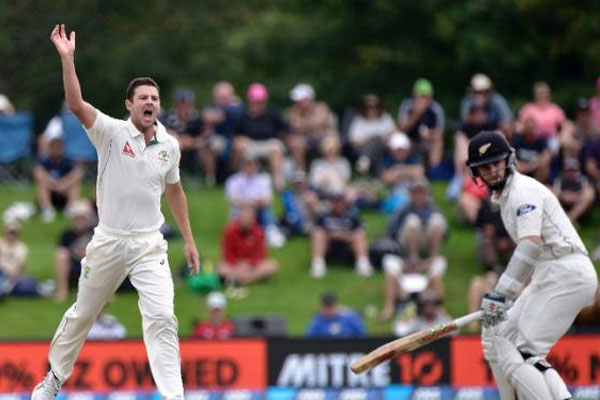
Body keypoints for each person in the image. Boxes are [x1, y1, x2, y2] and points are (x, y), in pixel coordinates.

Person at [32, 24, 201, 400]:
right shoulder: (110, 132)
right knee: (83, 314)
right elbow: (76, 104)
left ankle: (175, 395)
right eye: (143, 97)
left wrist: (188, 240)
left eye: (155, 98)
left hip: (148, 245)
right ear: (129, 105)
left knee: (162, 318)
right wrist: (67, 59)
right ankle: (54, 379)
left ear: (159, 105)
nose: (150, 103)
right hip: (108, 240)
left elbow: (175, 192)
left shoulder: (169, 146)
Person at [466, 130, 597, 399]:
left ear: (509, 159)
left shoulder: (522, 191)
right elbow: (532, 256)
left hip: (567, 273)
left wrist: (500, 295)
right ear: (476, 173)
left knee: (525, 352)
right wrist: (506, 299)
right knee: (495, 336)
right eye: (484, 167)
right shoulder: (505, 198)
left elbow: (529, 246)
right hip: (550, 274)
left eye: (496, 162)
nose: (492, 171)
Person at [232, 83, 288, 190]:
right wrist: (239, 140)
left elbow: (286, 130)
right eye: (255, 102)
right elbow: (235, 135)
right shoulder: (243, 116)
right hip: (250, 144)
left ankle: (278, 183)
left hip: (269, 144)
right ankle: (243, 182)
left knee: (275, 148)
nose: (257, 104)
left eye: (260, 102)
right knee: (240, 146)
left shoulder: (272, 114)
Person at [225, 153, 286, 248]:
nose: (250, 167)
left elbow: (268, 200)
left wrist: (251, 204)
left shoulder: (264, 179)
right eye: (247, 164)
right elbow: (233, 199)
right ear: (243, 165)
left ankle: (271, 232)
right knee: (245, 212)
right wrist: (250, 204)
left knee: (266, 211)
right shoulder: (234, 180)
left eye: (252, 164)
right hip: (241, 211)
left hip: (259, 210)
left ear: (257, 166)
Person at [309, 192, 373, 278]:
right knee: (318, 234)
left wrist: (344, 235)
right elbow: (316, 231)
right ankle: (318, 264)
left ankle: (363, 264)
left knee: (358, 235)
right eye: (336, 202)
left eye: (340, 202)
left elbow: (361, 231)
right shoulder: (324, 215)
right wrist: (332, 235)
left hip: (348, 247)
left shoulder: (353, 215)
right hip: (329, 246)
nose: (338, 204)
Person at [219, 205, 279, 285]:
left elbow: (260, 255)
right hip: (235, 265)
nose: (245, 220)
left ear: (253, 219)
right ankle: (248, 278)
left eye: (248, 218)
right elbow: (227, 254)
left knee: (272, 265)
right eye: (243, 217)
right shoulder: (229, 231)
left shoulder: (259, 231)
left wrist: (250, 264)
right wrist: (238, 265)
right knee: (221, 269)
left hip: (252, 266)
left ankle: (242, 280)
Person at [285, 83, 337, 170]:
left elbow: (320, 122)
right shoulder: (292, 112)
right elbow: (293, 125)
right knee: (296, 145)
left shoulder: (322, 107)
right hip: (303, 140)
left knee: (331, 142)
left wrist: (304, 126)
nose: (297, 103)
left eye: (300, 100)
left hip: (322, 137)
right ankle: (300, 175)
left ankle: (331, 171)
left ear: (309, 99)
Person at [54, 200, 96, 303]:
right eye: (78, 218)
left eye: (83, 218)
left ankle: (101, 291)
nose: (80, 221)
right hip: (73, 262)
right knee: (61, 255)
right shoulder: (67, 234)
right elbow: (62, 249)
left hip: (91, 262)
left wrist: (87, 253)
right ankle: (62, 290)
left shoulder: (96, 232)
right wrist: (74, 253)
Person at [33, 137, 84, 223]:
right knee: (42, 185)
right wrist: (52, 184)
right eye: (54, 148)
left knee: (74, 185)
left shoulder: (67, 161)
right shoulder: (45, 161)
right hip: (50, 190)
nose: (56, 150)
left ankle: (70, 208)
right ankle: (47, 210)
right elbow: (38, 172)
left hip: (64, 191)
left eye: (58, 148)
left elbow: (78, 173)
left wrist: (63, 184)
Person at [397, 78, 445, 168]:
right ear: (414, 96)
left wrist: (429, 135)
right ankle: (400, 168)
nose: (423, 100)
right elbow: (402, 129)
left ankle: (435, 170)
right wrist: (417, 113)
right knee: (399, 139)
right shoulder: (407, 106)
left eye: (426, 97)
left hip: (426, 141)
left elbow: (440, 131)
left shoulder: (436, 109)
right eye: (420, 97)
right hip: (409, 140)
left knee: (438, 140)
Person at [347, 94, 397, 174]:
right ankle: (377, 173)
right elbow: (354, 141)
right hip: (363, 149)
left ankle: (365, 161)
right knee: (375, 140)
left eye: (375, 107)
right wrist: (371, 141)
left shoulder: (385, 118)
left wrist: (383, 138)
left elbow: (394, 132)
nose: (371, 110)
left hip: (385, 147)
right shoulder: (359, 121)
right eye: (368, 107)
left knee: (377, 141)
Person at [552, 157, 595, 225]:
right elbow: (556, 191)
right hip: (563, 203)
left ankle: (568, 220)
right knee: (549, 192)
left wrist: (575, 196)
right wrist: (564, 196)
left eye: (573, 171)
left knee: (589, 194)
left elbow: (586, 192)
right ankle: (569, 221)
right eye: (568, 171)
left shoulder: (583, 179)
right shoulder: (559, 179)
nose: (570, 173)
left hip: (578, 203)